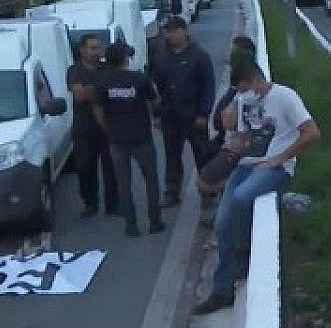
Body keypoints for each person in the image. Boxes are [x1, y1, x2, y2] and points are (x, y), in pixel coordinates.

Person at [194, 60, 320, 315]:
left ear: (255, 81)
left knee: (242, 196)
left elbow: (311, 133)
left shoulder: (284, 97)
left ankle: (243, 253)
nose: (242, 94)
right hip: (248, 163)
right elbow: (243, 138)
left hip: (276, 167)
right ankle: (222, 290)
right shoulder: (244, 101)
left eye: (243, 88)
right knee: (221, 225)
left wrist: (280, 158)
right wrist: (224, 158)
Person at [93, 42, 164, 237]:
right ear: (125, 58)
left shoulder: (102, 82)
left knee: (123, 183)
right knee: (151, 180)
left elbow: (98, 112)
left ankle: (131, 225)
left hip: (117, 140)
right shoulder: (139, 79)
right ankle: (155, 222)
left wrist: (110, 130)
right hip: (141, 137)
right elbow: (155, 100)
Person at [150, 16, 216, 207]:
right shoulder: (161, 58)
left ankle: (207, 192)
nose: (169, 35)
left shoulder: (199, 56)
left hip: (194, 116)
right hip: (170, 116)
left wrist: (204, 113)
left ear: (184, 31)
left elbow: (208, 87)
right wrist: (156, 115)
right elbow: (156, 89)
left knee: (202, 154)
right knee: (172, 155)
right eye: (167, 31)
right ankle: (172, 191)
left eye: (173, 31)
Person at [196, 36, 258, 220]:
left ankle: (230, 188)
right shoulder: (239, 86)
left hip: (235, 146)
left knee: (206, 180)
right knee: (204, 160)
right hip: (228, 140)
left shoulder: (248, 90)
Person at [66, 34, 118, 218]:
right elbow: (79, 95)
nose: (97, 51)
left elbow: (114, 89)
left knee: (111, 166)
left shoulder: (107, 68)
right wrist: (102, 90)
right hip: (84, 127)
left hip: (107, 125)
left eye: (98, 47)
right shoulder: (74, 71)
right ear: (82, 49)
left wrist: (93, 90)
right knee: (84, 167)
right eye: (92, 48)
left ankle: (113, 204)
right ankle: (90, 202)